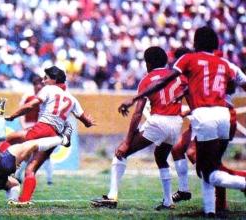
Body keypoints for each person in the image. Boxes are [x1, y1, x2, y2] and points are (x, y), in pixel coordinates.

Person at [118, 26, 246, 217]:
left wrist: (135, 99)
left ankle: (242, 184)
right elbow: (238, 84)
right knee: (207, 163)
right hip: (225, 116)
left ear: (195, 43)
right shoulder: (225, 64)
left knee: (207, 171)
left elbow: (164, 81)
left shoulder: (189, 59)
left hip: (205, 115)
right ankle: (210, 211)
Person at [91, 47, 185, 210]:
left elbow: (137, 113)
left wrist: (127, 141)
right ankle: (168, 201)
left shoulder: (147, 79)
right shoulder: (177, 76)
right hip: (176, 122)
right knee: (161, 157)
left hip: (159, 121)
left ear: (148, 63)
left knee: (121, 152)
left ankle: (112, 196)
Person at [5, 66, 96, 205]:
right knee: (31, 169)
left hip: (41, 128)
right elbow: (86, 122)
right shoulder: (72, 99)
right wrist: (89, 122)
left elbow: (31, 105)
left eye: (45, 78)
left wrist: (13, 115)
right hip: (54, 136)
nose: (43, 80)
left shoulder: (48, 89)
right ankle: (24, 201)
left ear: (54, 80)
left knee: (10, 139)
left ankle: (2, 168)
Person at [170, 49, 246, 212]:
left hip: (217, 116)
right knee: (178, 149)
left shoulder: (193, 71)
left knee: (202, 162)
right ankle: (185, 191)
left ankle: (233, 188)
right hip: (205, 117)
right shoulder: (196, 73)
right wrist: (187, 111)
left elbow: (210, 98)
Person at [0, 75, 54, 185]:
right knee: (26, 152)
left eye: (40, 84)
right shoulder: (28, 96)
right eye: (36, 84)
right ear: (33, 86)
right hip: (28, 127)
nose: (38, 87)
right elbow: (22, 112)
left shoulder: (46, 97)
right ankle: (18, 175)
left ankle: (49, 179)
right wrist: (24, 125)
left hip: (41, 127)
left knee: (45, 154)